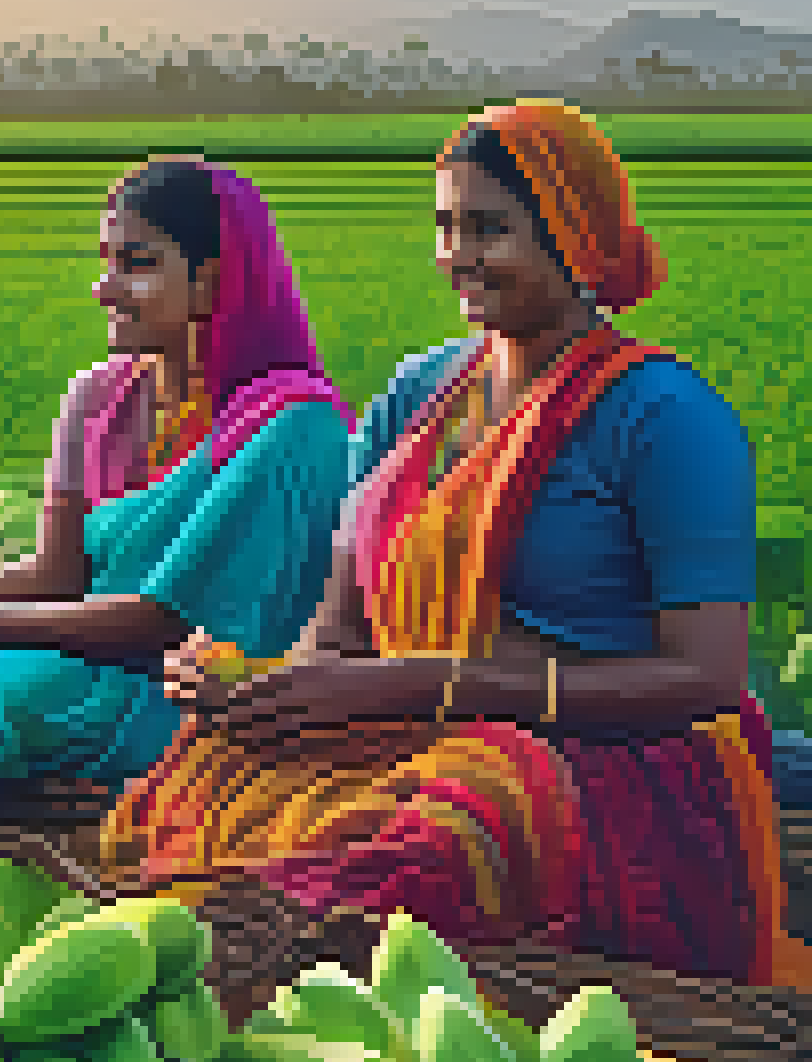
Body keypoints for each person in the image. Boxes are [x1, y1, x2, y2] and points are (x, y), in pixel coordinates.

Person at [104, 101, 808, 990]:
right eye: (445, 227)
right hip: (408, 726)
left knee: (420, 857)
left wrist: (430, 682)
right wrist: (257, 688)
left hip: (596, 762)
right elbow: (342, 630)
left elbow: (704, 678)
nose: (458, 257)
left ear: (577, 237)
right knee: (216, 776)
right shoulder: (418, 398)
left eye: (489, 229)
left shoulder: (664, 417)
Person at [0, 160, 354, 838]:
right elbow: (58, 575)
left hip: (202, 691)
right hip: (87, 658)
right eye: (105, 262)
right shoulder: (98, 400)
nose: (104, 288)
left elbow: (165, 620)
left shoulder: (292, 425)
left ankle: (19, 806)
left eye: (136, 264)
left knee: (24, 696)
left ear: (210, 281)